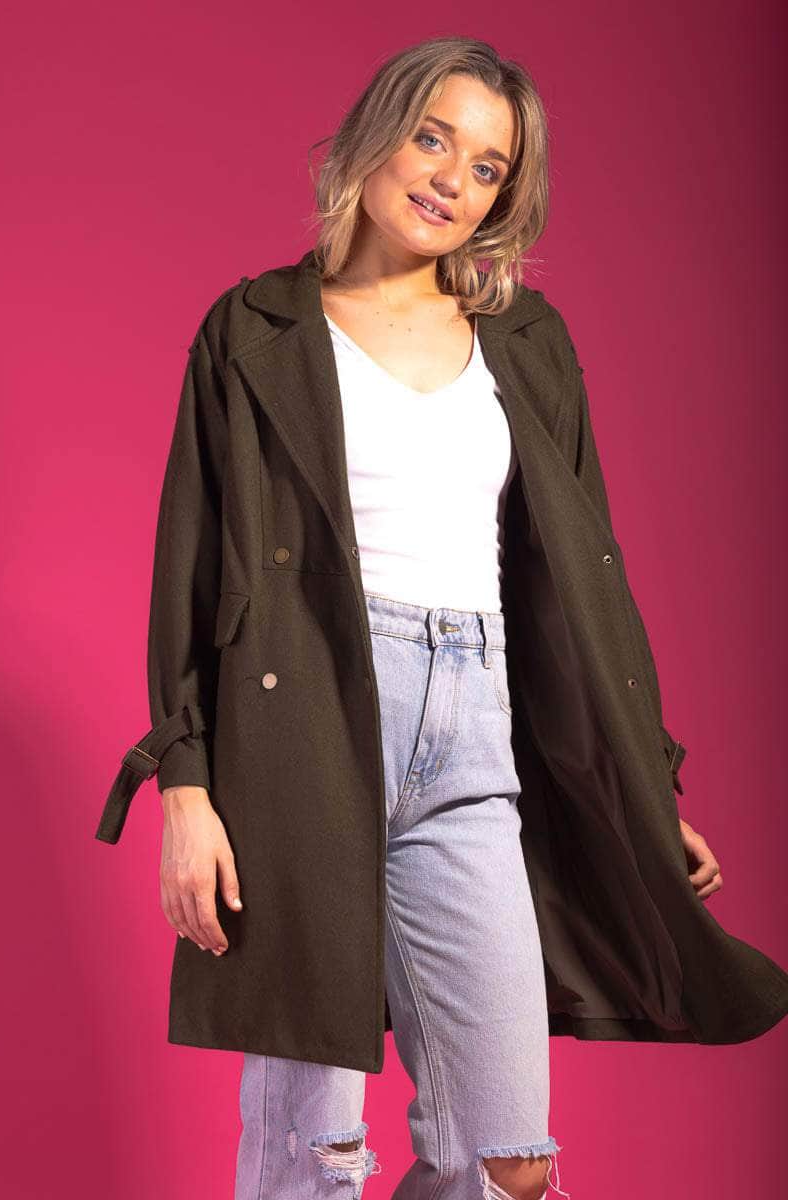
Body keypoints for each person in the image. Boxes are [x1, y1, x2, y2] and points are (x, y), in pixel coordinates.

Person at [96, 33, 788, 1200]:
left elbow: (584, 587)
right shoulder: (254, 329)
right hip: (299, 732)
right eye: (432, 139)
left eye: (485, 168)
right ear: (376, 133)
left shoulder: (526, 343)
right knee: (313, 1154)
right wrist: (184, 786)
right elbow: (192, 569)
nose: (449, 180)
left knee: (507, 1159)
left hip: (475, 732)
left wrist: (643, 780)